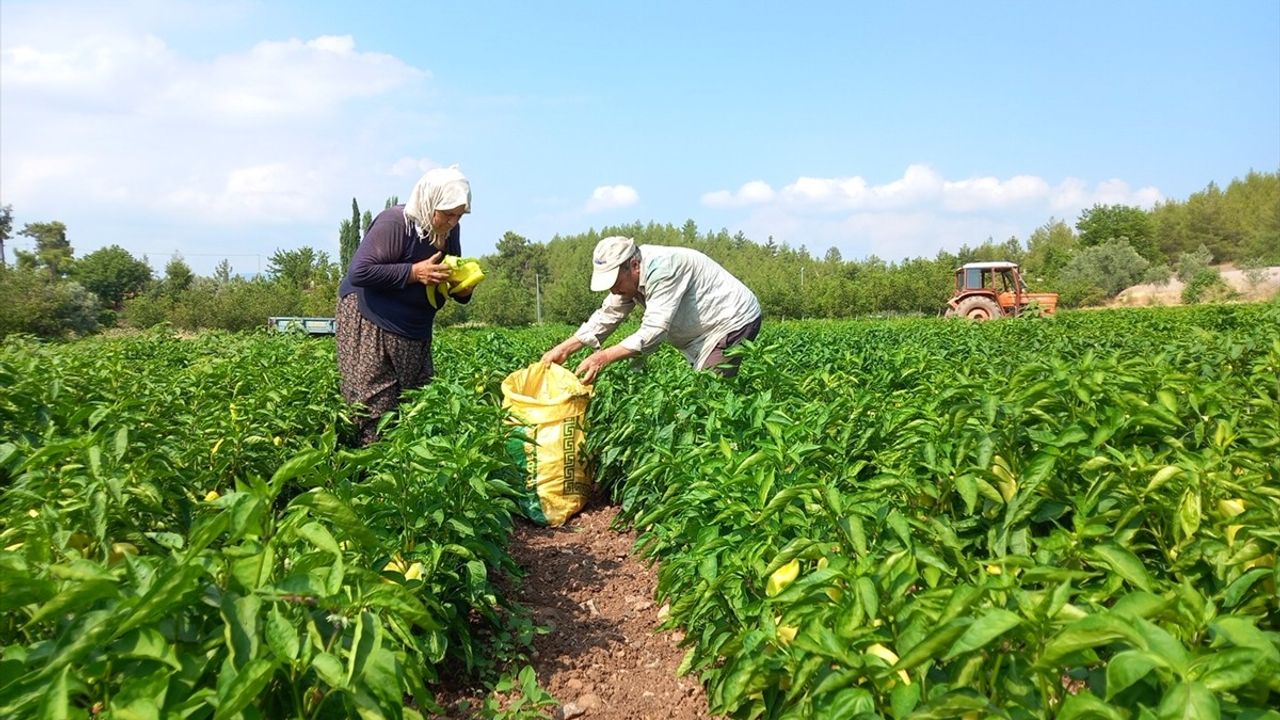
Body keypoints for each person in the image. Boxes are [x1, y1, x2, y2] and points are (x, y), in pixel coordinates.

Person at [336, 166, 474, 445]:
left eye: (459, 215)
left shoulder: (450, 231)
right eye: (448, 214)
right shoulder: (396, 223)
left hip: (413, 328)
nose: (453, 221)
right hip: (371, 319)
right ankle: (371, 476)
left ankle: (407, 473)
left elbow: (448, 275)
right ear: (430, 202)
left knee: (417, 403)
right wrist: (413, 273)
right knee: (375, 405)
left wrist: (463, 289)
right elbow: (360, 272)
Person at [542, 236, 762, 383]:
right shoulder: (628, 281)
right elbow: (608, 315)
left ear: (634, 266)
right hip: (702, 332)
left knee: (710, 395)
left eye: (615, 281)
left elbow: (655, 330)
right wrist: (563, 349)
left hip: (732, 321)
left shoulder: (664, 269)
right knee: (703, 390)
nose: (613, 289)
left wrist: (603, 357)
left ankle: (731, 447)